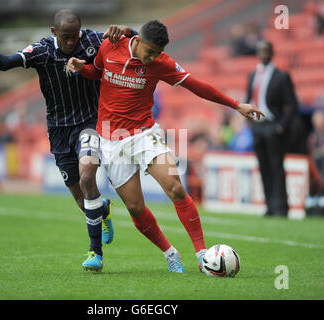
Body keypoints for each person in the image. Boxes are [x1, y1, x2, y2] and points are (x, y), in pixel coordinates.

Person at [67, 20, 264, 273]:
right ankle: (170, 252)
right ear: (137, 41)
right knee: (136, 207)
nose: (151, 58)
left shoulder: (161, 62)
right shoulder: (110, 45)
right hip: (111, 141)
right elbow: (96, 71)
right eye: (149, 52)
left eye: (156, 53)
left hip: (144, 134)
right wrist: (81, 68)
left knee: (175, 188)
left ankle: (202, 253)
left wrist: (237, 105)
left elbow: (197, 86)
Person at [0, 9, 137, 271]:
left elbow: (136, 44)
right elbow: (3, 64)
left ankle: (96, 253)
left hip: (90, 123)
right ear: (53, 32)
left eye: (75, 36)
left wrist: (127, 30)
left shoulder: (92, 41)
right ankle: (102, 209)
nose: (71, 43)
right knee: (84, 202)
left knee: (88, 175)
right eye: (66, 37)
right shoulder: (42, 51)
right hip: (58, 131)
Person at [245, 40, 300, 217]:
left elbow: (292, 105)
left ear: (272, 52)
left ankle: (281, 208)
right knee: (264, 167)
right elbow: (248, 102)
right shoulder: (253, 75)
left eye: (266, 50)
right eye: (260, 50)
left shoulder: (281, 76)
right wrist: (251, 124)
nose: (263, 54)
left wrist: (280, 126)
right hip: (258, 127)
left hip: (272, 126)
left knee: (277, 167)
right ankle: (269, 206)